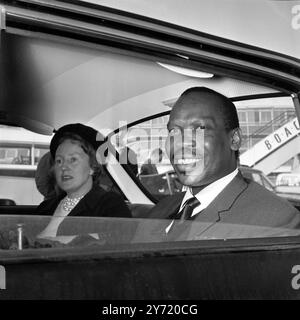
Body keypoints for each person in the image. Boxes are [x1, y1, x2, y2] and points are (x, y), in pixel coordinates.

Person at [135, 87, 300, 241]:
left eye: (200, 128)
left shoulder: (275, 221)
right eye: (174, 131)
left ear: (234, 140)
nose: (180, 143)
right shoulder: (161, 209)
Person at [36, 123, 131, 238]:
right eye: (59, 161)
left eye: (73, 159)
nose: (64, 167)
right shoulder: (45, 207)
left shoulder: (110, 206)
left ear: (92, 167)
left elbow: (119, 241)